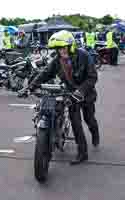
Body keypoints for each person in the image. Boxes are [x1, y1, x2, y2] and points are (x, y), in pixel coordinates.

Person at [19, 30, 100, 165]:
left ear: (70, 46)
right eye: (58, 49)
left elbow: (92, 77)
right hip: (70, 95)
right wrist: (29, 88)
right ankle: (82, 153)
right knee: (76, 124)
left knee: (89, 119)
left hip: (86, 95)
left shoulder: (83, 56)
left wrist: (80, 93)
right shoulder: (57, 60)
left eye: (62, 48)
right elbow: (45, 73)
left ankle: (95, 133)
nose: (61, 51)